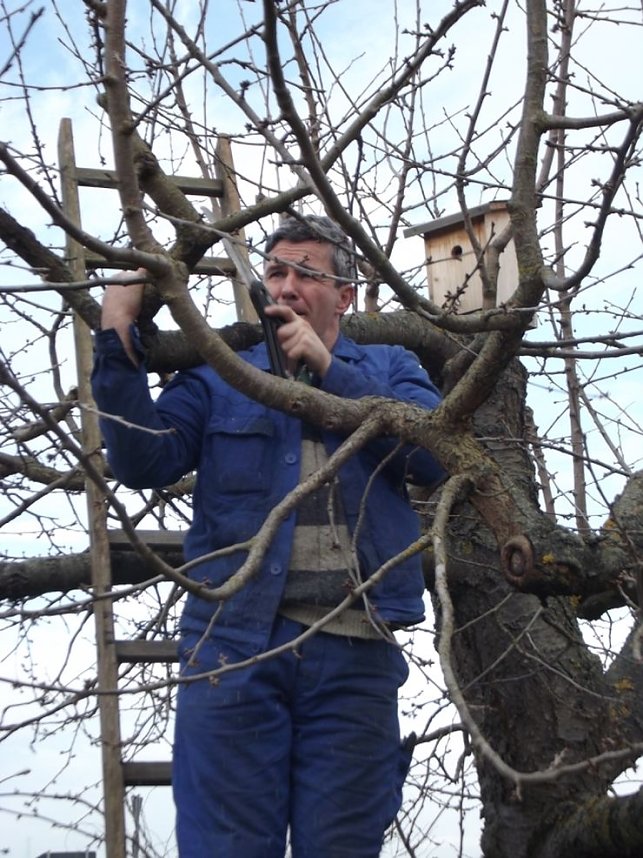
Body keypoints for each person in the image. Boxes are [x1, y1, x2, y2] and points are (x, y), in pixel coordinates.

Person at [92, 215, 445, 858]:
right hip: (233, 651)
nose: (284, 285)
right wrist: (117, 335)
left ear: (343, 295)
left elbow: (434, 457)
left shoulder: (392, 366)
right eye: (275, 271)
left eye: (306, 272)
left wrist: (332, 372)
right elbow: (144, 463)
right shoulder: (219, 373)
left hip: (355, 650)